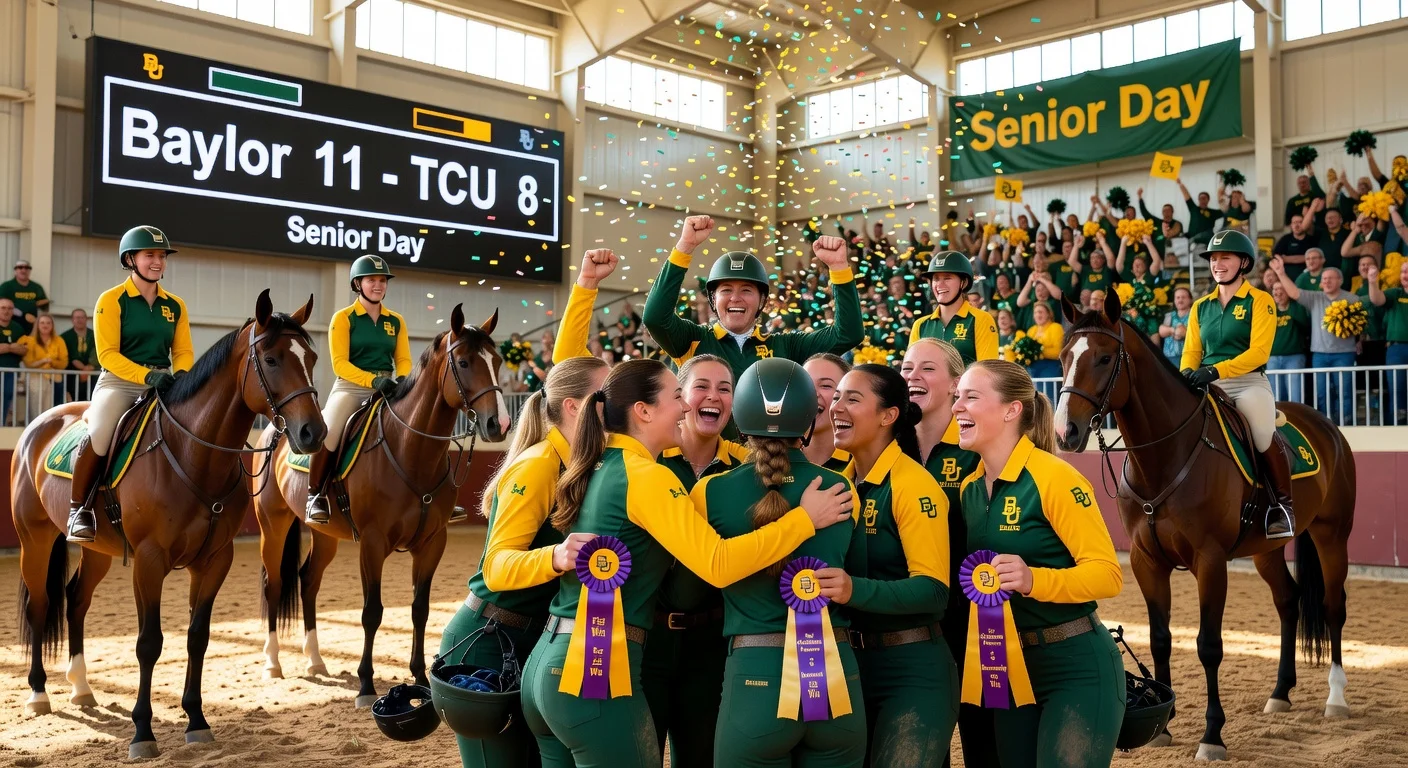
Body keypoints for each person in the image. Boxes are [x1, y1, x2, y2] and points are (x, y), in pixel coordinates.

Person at [519, 358, 855, 767]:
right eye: (677, 396)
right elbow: (716, 564)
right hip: (594, 666)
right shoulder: (648, 475)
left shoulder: (595, 462)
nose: (684, 407)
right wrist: (802, 520)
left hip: (548, 662)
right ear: (643, 411)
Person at [446, 248, 618, 768]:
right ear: (574, 409)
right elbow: (497, 567)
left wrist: (587, 286)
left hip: (530, 637)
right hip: (488, 640)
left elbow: (567, 370)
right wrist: (559, 557)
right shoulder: (540, 465)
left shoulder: (581, 458)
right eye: (605, 398)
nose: (618, 407)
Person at [691, 358, 866, 767]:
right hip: (837, 678)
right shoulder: (841, 488)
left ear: (740, 418)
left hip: (754, 677)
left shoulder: (710, 491)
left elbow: (690, 589)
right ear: (808, 422)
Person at [954, 360, 1124, 768]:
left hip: (1077, 668)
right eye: (956, 396)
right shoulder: (969, 490)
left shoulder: (1056, 479)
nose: (957, 406)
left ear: (1012, 410)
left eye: (970, 396)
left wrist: (1033, 579)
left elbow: (1107, 574)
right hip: (1008, 670)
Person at [816, 363, 955, 767]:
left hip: (913, 674)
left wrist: (851, 589)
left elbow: (933, 590)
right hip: (850, 672)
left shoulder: (913, 485)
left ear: (888, 415)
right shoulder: (831, 484)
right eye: (836, 396)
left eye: (852, 398)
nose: (836, 406)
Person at [644, 354, 747, 768]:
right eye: (702, 386)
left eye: (725, 389)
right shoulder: (647, 460)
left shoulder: (749, 466)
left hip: (713, 644)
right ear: (681, 397)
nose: (714, 396)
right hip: (645, 640)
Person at [899, 339, 994, 768]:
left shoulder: (977, 447)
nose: (912, 376)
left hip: (974, 617)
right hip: (908, 618)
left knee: (982, 737)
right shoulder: (885, 446)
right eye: (906, 367)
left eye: (927, 369)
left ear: (957, 385)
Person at [65, 225, 193, 543]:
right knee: (101, 430)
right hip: (120, 384)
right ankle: (78, 509)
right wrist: (147, 375)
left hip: (163, 383)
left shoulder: (175, 305)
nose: (158, 262)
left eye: (161, 256)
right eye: (150, 255)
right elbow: (106, 354)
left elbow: (183, 351)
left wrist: (182, 376)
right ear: (130, 259)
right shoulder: (112, 300)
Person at [642, 215, 862, 390]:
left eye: (746, 290)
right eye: (726, 290)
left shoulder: (786, 347)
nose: (735, 297)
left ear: (762, 301)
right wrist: (685, 247)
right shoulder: (690, 340)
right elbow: (655, 318)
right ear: (713, 299)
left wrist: (839, 267)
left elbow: (847, 333)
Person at [1182, 231, 1293, 539]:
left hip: (1247, 383)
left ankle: (1282, 506)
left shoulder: (1261, 301)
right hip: (1208, 382)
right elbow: (1191, 351)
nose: (1217, 264)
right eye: (1213, 259)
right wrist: (1187, 375)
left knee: (1260, 432)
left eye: (1225, 258)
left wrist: (1215, 370)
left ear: (1243, 262)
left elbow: (1258, 352)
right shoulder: (1200, 306)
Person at [303, 255, 412, 524]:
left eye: (382, 280)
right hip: (351, 387)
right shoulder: (343, 318)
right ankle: (314, 495)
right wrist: (372, 381)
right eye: (372, 280)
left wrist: (404, 380)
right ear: (357, 284)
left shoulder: (395, 321)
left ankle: (431, 493)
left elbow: (403, 359)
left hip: (388, 387)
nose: (378, 285)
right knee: (330, 429)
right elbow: (340, 363)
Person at [1271, 259, 1362, 425]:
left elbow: (1362, 324)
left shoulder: (1352, 299)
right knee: (1322, 393)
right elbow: (1294, 292)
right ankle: (1325, 425)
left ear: (1340, 281)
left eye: (1330, 278)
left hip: (1344, 354)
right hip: (1319, 354)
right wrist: (1280, 273)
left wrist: (1359, 340)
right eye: (1324, 279)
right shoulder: (1315, 298)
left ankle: (1346, 423)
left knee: (1345, 392)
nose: (1326, 281)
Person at [909, 251, 999, 365]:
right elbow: (911, 369)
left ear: (964, 282)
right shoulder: (920, 325)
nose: (940, 285)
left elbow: (988, 372)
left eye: (947, 278)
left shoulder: (981, 319)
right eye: (936, 279)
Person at [1366, 259, 1408, 421]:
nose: (1406, 275)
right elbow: (1377, 300)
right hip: (1396, 349)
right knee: (1397, 388)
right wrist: (1372, 282)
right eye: (1403, 271)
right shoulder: (1396, 293)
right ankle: (1398, 422)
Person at [802, 353, 854, 472]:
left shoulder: (861, 461)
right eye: (805, 384)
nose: (812, 393)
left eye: (826, 386)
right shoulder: (768, 452)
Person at [1268, 278, 1311, 403]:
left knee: (1295, 395)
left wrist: (1291, 304)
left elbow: (1305, 324)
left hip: (1294, 357)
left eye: (1282, 289)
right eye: (1275, 289)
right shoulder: (1268, 309)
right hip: (1273, 358)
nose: (1278, 292)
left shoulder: (1297, 307)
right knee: (1274, 396)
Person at [21, 312, 67, 422]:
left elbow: (64, 362)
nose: (45, 325)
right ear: (37, 325)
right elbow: (28, 363)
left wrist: (52, 362)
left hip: (53, 378)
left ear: (52, 325)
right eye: (42, 323)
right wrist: (44, 361)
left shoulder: (59, 340)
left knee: (48, 409)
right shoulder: (29, 340)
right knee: (35, 408)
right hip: (35, 377)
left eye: (48, 323)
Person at [0, 259, 50, 334]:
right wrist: (23, 315)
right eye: (20, 267)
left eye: (27, 268)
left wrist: (45, 303)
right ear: (15, 270)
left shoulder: (36, 287)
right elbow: (2, 306)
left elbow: (45, 309)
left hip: (31, 327)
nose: (23, 270)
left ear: (30, 271)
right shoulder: (6, 286)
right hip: (11, 326)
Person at [0, 297, 27, 425]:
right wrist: (11, 347)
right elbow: (15, 348)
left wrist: (5, 347)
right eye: (3, 308)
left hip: (11, 372)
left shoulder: (18, 328)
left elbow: (24, 350)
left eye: (10, 308)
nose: (6, 311)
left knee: (6, 397)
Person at [62, 308, 99, 402]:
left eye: (82, 317)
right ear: (72, 320)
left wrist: (89, 368)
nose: (79, 320)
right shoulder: (65, 337)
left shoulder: (96, 335)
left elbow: (99, 353)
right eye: (77, 317)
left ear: (87, 319)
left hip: (93, 375)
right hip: (72, 377)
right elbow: (68, 356)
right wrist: (84, 369)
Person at [1025, 303, 1064, 385]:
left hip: (1050, 369)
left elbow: (1058, 352)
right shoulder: (1031, 330)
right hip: (1032, 370)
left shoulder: (1056, 327)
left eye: (1040, 312)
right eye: (1035, 313)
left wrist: (1039, 352)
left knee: (1048, 397)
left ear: (1048, 314)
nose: (1038, 315)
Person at [1273, 213, 1318, 281]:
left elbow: (1316, 258)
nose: (1297, 225)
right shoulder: (1285, 239)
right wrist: (1305, 258)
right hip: (1287, 279)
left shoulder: (1312, 240)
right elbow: (1276, 257)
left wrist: (1286, 258)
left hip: (1308, 279)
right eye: (1294, 223)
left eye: (1300, 222)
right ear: (1291, 225)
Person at [1177, 177, 1221, 247]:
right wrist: (1180, 184)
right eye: (1200, 198)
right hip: (1192, 240)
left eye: (1204, 198)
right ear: (1198, 200)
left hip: (1206, 241)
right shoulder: (1194, 209)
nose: (1202, 200)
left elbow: (1225, 210)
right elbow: (1187, 196)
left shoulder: (1213, 212)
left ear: (1208, 200)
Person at [1159, 286, 1194, 369]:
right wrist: (1174, 330)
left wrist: (1182, 332)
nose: (1180, 300)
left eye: (1183, 297)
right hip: (1169, 359)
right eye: (1177, 297)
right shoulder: (1169, 315)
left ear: (1190, 300)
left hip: (1188, 358)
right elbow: (1162, 331)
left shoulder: (1194, 315)